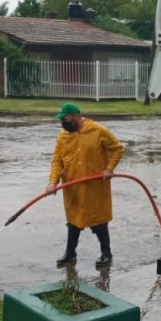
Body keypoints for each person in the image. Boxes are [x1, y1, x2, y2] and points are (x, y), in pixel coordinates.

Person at [46, 102, 124, 266]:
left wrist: (109, 169)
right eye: (61, 120)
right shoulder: (62, 136)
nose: (62, 123)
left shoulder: (98, 131)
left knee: (99, 219)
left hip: (94, 185)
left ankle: (106, 253)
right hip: (72, 186)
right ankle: (70, 253)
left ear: (75, 116)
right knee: (73, 221)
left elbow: (117, 148)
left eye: (65, 119)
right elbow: (57, 161)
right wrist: (52, 182)